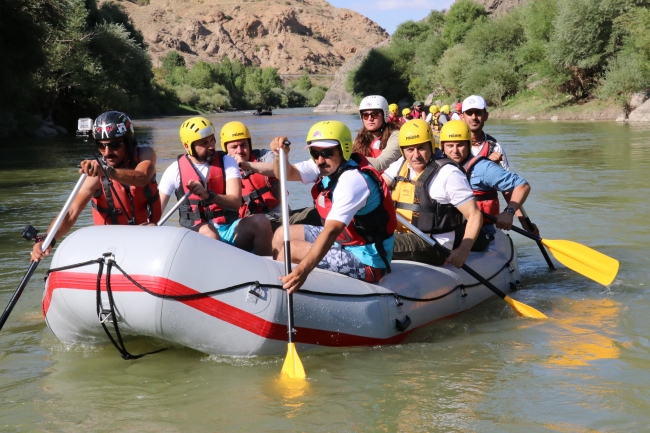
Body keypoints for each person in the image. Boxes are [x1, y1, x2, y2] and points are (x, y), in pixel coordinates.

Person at [269, 120, 396, 293]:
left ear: (343, 149)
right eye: (315, 153)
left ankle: (286, 288)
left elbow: (331, 230)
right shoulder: (325, 166)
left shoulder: (353, 180)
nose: (320, 160)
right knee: (280, 234)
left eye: (327, 152)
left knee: (291, 249)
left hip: (367, 261)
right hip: (345, 241)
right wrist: (279, 156)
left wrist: (303, 270)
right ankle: (278, 284)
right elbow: (284, 173)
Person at [31, 111, 161, 261]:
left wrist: (107, 171)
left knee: (150, 228)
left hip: (146, 238)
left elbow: (142, 177)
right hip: (109, 247)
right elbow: (71, 212)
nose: (107, 152)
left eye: (115, 144)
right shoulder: (95, 175)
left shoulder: (145, 154)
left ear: (128, 142)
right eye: (101, 145)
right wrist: (46, 240)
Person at [158, 117, 272, 255]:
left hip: (229, 229)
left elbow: (235, 202)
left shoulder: (227, 161)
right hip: (195, 234)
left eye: (212, 140)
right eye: (204, 143)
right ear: (188, 146)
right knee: (209, 232)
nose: (211, 146)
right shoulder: (174, 170)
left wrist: (208, 195)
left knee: (261, 222)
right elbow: (157, 211)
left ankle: (265, 270)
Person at [383, 119, 484, 268]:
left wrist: (463, 250)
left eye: (421, 148)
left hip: (434, 245)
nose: (416, 155)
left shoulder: (449, 174)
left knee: (374, 245)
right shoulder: (400, 165)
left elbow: (475, 215)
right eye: (410, 150)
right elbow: (376, 189)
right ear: (403, 151)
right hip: (402, 236)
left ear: (431, 145)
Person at [220, 121, 320, 228]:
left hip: (283, 219)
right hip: (252, 226)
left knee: (319, 214)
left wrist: (246, 165)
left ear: (249, 144)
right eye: (234, 147)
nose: (239, 151)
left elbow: (277, 170)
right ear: (225, 150)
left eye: (243, 145)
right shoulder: (221, 171)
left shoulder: (264, 156)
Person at [441, 120, 531, 236]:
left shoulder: (483, 168)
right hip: (452, 228)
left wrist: (509, 212)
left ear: (468, 144)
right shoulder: (439, 167)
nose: (455, 151)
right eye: (450, 146)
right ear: (442, 147)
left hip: (482, 231)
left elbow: (522, 185)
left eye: (460, 145)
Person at [353, 95, 401, 172]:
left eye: (374, 114)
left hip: (387, 181)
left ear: (384, 115)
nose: (370, 118)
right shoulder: (359, 138)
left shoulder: (396, 136)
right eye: (365, 115)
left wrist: (348, 159)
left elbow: (381, 164)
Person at [461, 95, 509, 170]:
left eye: (478, 113)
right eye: (469, 113)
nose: (474, 117)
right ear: (462, 117)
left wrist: (495, 166)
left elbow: (506, 179)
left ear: (486, 116)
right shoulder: (455, 146)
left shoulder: (495, 148)